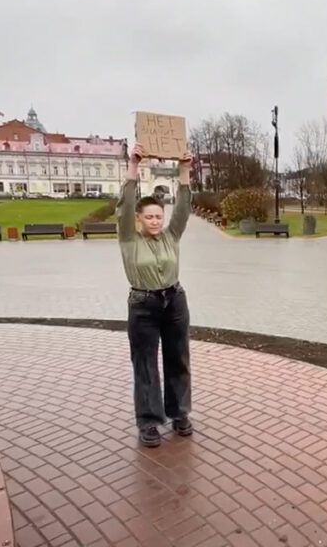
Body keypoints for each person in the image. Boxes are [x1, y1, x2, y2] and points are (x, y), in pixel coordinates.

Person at [118, 142, 195, 448]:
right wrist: (133, 166)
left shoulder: (171, 235)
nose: (155, 221)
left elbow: (185, 209)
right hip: (143, 305)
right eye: (149, 217)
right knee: (146, 363)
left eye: (158, 216)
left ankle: (179, 413)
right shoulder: (128, 238)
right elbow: (123, 205)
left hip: (174, 301)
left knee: (178, 358)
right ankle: (149, 421)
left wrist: (185, 169)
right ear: (139, 219)